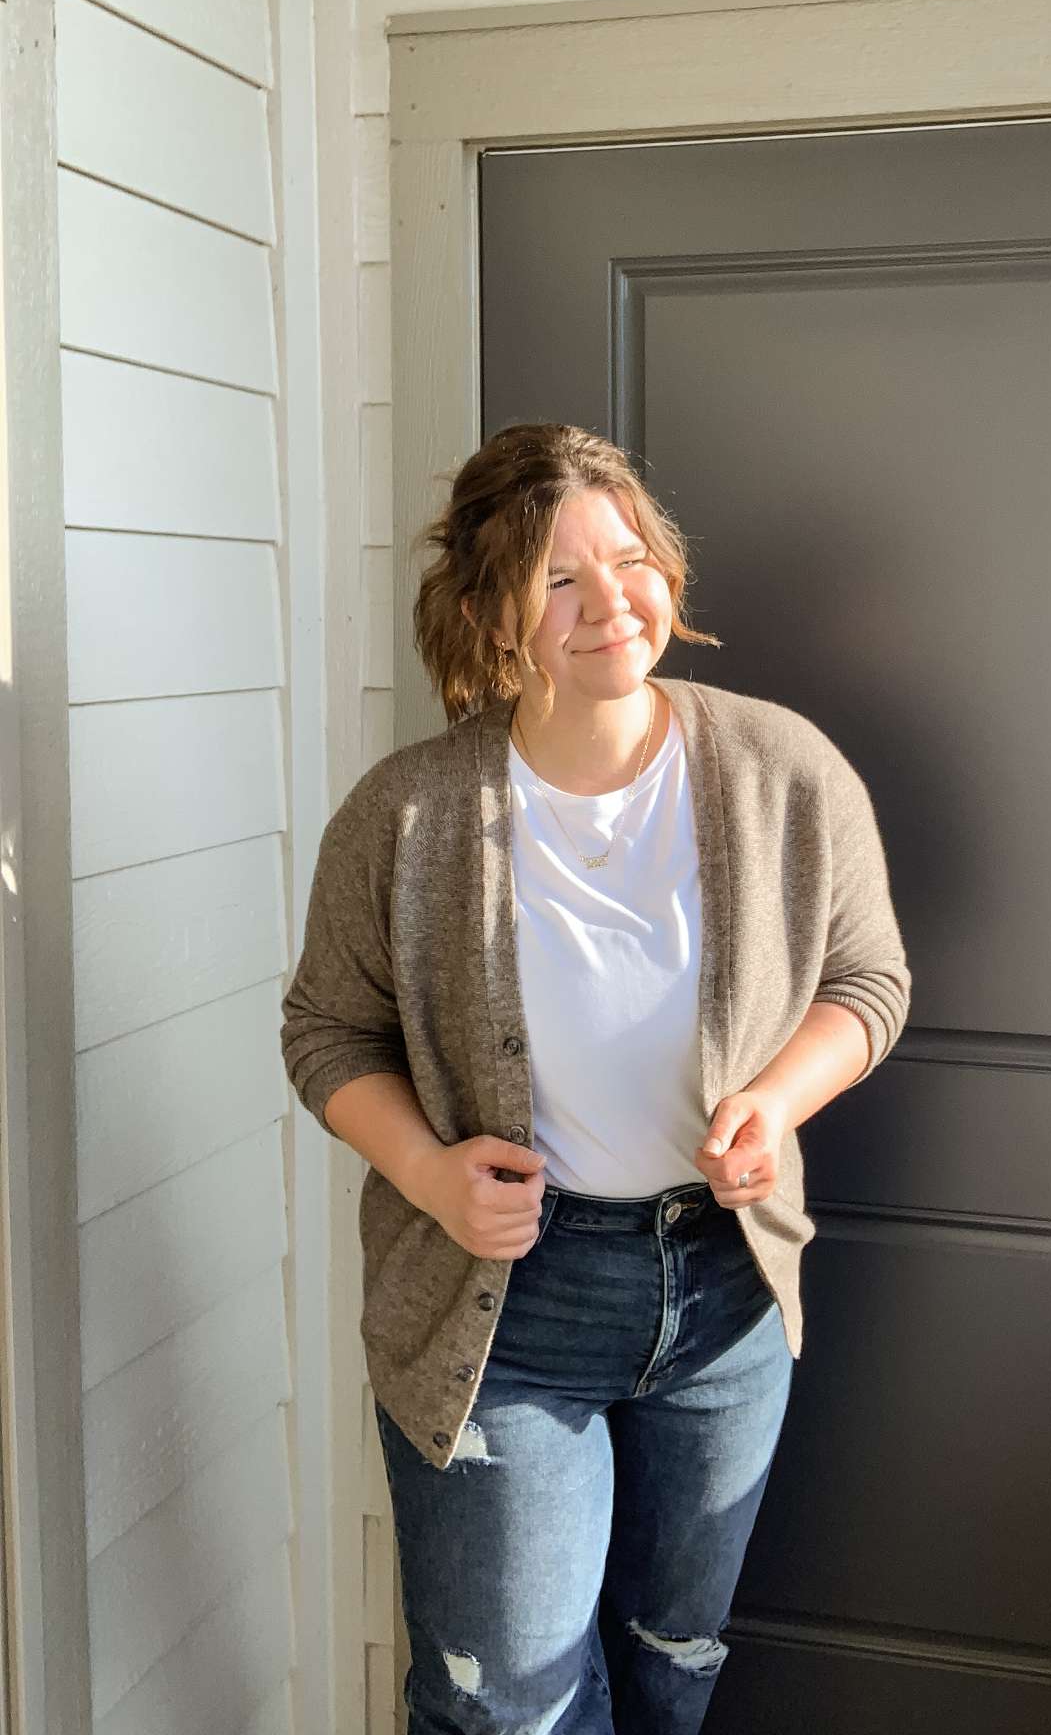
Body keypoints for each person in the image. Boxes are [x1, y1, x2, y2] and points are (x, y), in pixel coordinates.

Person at [281, 421, 911, 1734]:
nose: (609, 600)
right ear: (487, 613)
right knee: (502, 1698)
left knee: (673, 1657)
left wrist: (775, 1102)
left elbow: (869, 986)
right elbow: (327, 1033)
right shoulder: (404, 816)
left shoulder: (783, 769)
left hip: (727, 1290)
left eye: (629, 558)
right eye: (557, 576)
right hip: (500, 1307)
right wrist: (430, 1175)